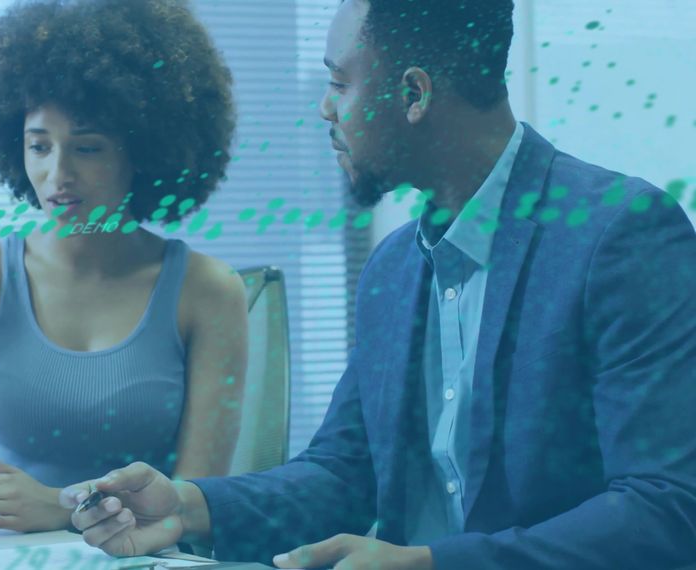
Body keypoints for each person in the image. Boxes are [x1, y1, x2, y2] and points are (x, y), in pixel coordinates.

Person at [62, 0, 696, 568]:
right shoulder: (393, 268)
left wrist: (430, 564)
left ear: (414, 94)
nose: (325, 106)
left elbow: (665, 507)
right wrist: (186, 506)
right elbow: (345, 473)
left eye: (340, 81)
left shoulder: (620, 235)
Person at [0, 0, 248, 534]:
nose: (58, 174)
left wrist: (61, 506)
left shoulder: (208, 290)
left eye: (88, 148)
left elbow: (194, 505)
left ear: (142, 151)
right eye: (39, 146)